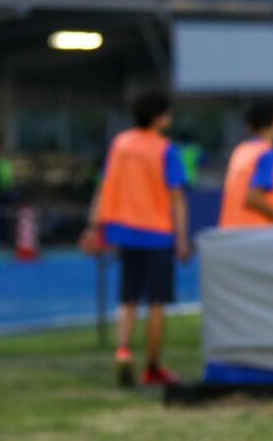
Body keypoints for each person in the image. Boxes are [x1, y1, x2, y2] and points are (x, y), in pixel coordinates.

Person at [82, 91, 191, 387]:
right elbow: (177, 198)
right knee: (157, 302)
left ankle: (123, 350)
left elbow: (104, 187)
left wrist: (94, 225)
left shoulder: (120, 144)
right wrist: (182, 239)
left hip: (124, 230)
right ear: (160, 117)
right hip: (157, 233)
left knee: (127, 297)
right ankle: (153, 366)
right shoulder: (165, 150)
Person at [219, 102, 273, 230]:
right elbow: (253, 197)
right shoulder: (266, 153)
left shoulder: (240, 151)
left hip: (230, 231)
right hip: (257, 233)